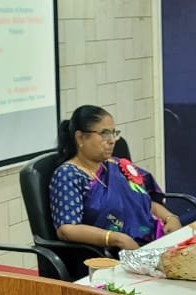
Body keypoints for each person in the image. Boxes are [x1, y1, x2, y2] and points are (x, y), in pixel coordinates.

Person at [50, 105, 182, 251]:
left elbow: (144, 202)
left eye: (114, 133)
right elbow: (67, 229)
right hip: (108, 254)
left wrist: (170, 218)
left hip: (153, 241)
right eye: (104, 133)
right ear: (80, 138)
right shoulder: (69, 174)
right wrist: (116, 239)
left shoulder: (117, 165)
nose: (112, 141)